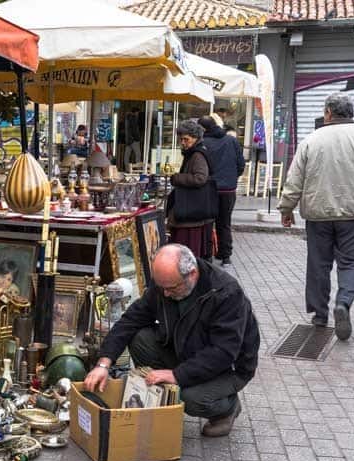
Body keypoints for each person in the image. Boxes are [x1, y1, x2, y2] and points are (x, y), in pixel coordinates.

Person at [84, 244, 260, 437]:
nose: (165, 294)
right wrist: (104, 363)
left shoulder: (226, 293)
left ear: (192, 274)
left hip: (228, 368)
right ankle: (163, 395)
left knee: (191, 399)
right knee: (140, 338)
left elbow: (222, 353)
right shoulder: (165, 285)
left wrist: (176, 375)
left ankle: (228, 409)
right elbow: (130, 320)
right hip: (186, 350)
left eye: (171, 288)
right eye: (162, 287)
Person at [279, 92, 354, 340]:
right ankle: (343, 302)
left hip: (318, 214)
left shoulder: (311, 140)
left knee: (318, 264)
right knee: (353, 262)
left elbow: (294, 179)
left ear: (328, 112)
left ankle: (319, 315)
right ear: (351, 112)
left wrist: (286, 208)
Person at [198, 115, 246, 265]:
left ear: (203, 129)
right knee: (224, 223)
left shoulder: (203, 143)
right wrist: (231, 178)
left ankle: (207, 255)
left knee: (207, 222)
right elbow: (241, 164)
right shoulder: (231, 140)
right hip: (228, 190)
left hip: (209, 189)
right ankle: (225, 256)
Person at [166, 119, 216, 260]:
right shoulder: (192, 153)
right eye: (181, 139)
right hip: (191, 212)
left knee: (187, 252)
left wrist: (177, 178)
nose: (183, 142)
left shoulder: (198, 155)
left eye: (186, 139)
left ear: (195, 138)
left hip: (191, 212)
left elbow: (200, 178)